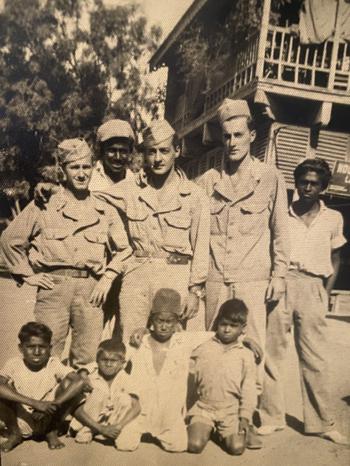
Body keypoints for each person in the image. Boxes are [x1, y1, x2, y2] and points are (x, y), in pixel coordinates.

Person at [1, 138, 132, 367]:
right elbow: (10, 240)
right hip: (54, 291)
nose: (81, 174)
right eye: (74, 167)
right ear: (63, 170)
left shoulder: (105, 210)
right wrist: (27, 274)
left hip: (91, 292)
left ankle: (76, 403)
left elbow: (125, 250)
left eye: (86, 167)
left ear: (93, 168)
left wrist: (108, 278)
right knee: (45, 356)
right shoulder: (44, 205)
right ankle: (45, 402)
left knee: (87, 360)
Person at [199, 98, 289, 386]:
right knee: (212, 346)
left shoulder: (270, 177)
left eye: (239, 135)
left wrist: (280, 274)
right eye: (227, 136)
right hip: (215, 280)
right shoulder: (207, 181)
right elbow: (198, 236)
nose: (232, 142)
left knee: (252, 349)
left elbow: (280, 230)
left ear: (252, 136)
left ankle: (246, 414)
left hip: (253, 280)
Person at [259, 158, 349, 445]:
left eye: (314, 183)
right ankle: (271, 417)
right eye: (303, 182)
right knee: (272, 354)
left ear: (323, 187)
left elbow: (336, 257)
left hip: (313, 286)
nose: (308, 187)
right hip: (283, 283)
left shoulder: (333, 218)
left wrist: (326, 292)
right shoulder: (282, 214)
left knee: (315, 357)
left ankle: (321, 422)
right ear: (296, 184)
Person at [98, 119, 210, 343]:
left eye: (164, 151)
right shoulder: (130, 189)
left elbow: (201, 246)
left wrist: (195, 291)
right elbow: (90, 196)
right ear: (144, 155)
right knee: (131, 343)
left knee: (174, 346)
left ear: (176, 151)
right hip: (137, 275)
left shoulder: (194, 195)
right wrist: (52, 189)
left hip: (176, 276)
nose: (158, 159)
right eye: (151, 152)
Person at [127, 288, 212, 452]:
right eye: (160, 321)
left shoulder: (183, 340)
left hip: (168, 416)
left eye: (169, 321)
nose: (164, 326)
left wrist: (246, 340)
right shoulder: (140, 341)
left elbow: (215, 336)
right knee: (125, 444)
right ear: (152, 320)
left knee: (178, 446)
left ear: (177, 322)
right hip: (140, 414)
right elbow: (115, 355)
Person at [0, 322, 90, 452]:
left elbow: (79, 381)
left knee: (68, 384)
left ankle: (51, 432)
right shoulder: (14, 364)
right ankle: (15, 434)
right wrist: (35, 404)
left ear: (50, 348)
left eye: (42, 347)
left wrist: (51, 405)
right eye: (31, 347)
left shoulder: (53, 363)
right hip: (22, 420)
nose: (37, 352)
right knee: (4, 388)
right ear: (21, 348)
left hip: (49, 417)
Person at [187, 298, 257, 455]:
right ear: (217, 323)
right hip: (204, 407)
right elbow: (180, 341)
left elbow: (249, 389)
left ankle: (225, 432)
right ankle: (206, 428)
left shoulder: (245, 355)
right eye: (223, 324)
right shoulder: (204, 347)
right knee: (194, 445)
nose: (226, 330)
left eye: (233, 326)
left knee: (237, 448)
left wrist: (245, 417)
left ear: (243, 328)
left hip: (230, 410)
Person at [71, 339, 141, 450]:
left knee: (126, 444)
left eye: (113, 361)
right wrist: (99, 428)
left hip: (116, 421)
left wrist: (120, 425)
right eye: (104, 360)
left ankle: (116, 432)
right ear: (97, 361)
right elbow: (75, 407)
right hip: (91, 420)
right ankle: (89, 429)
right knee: (98, 394)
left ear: (122, 363)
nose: (108, 364)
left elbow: (136, 407)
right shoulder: (90, 377)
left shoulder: (126, 378)